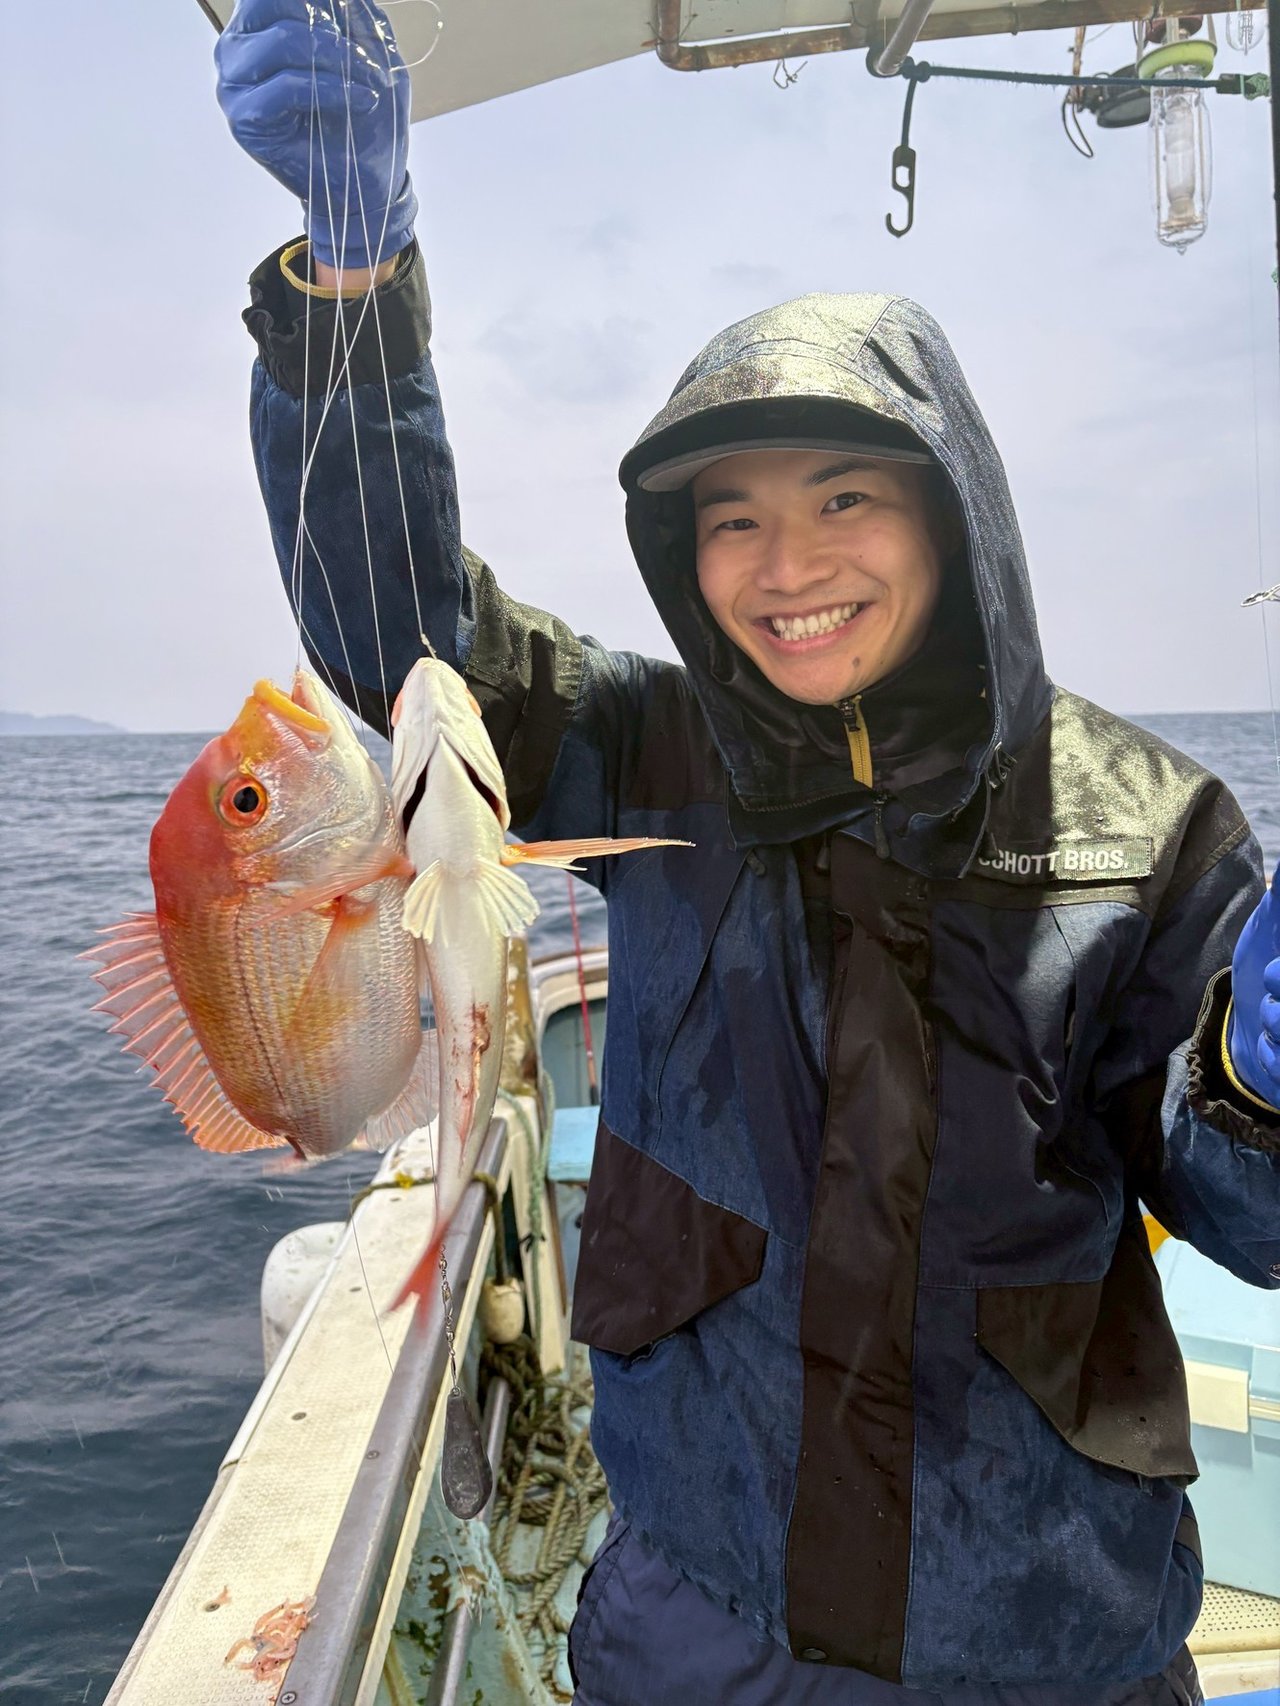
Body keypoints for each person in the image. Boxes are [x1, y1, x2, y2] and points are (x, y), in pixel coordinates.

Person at [215, 4, 1280, 1701]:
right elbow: (402, 641)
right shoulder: (644, 742)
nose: (788, 565)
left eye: (846, 496)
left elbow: (1252, 1214)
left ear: (952, 515)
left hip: (1045, 1641)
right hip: (699, 1618)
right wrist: (352, 288)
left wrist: (1258, 1086)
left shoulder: (1149, 825)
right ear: (683, 555)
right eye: (733, 519)